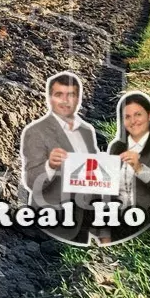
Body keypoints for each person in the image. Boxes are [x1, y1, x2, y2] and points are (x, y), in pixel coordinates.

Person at [20, 71, 100, 245]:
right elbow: (31, 181)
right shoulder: (36, 132)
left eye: (70, 95)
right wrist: (49, 165)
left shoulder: (87, 131)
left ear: (79, 99)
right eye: (58, 95)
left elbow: (92, 175)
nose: (65, 101)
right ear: (49, 99)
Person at [99, 92, 150, 244]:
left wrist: (139, 168)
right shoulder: (117, 147)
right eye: (127, 117)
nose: (133, 121)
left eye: (138, 114)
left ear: (149, 115)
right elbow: (108, 192)